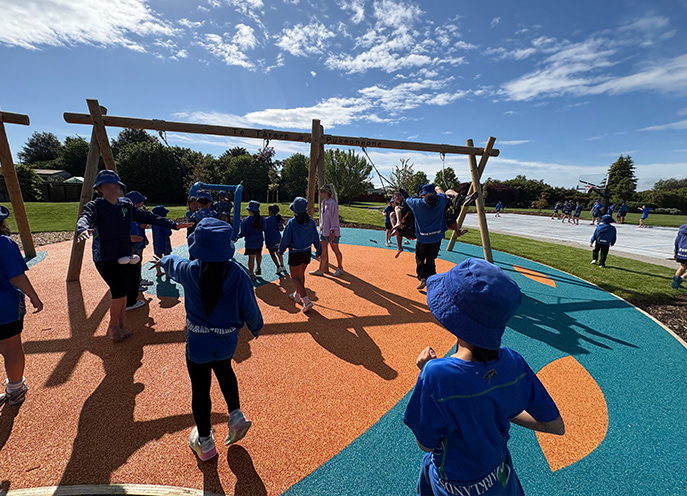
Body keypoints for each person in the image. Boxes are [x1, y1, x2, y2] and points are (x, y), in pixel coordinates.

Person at [404, 259, 564, 496]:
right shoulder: (514, 362)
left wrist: (427, 374)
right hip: (499, 480)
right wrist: (496, 405)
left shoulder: (436, 375)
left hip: (453, 486)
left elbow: (425, 443)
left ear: (452, 315)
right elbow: (555, 425)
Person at [155, 217, 263, 461]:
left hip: (198, 342)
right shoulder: (237, 274)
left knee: (200, 388)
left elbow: (174, 263)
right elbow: (250, 309)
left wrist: (161, 259)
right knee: (225, 371)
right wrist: (256, 327)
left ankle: (204, 442)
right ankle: (235, 415)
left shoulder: (191, 270)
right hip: (227, 341)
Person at [76, 170, 187, 342]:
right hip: (105, 257)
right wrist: (82, 229)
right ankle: (114, 327)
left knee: (123, 292)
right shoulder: (95, 207)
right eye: (108, 187)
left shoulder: (126, 205)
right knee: (118, 291)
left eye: (116, 187)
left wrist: (173, 224)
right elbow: (85, 218)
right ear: (100, 188)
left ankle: (120, 324)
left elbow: (147, 216)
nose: (113, 191)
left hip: (125, 254)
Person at [0, 205, 43, 406]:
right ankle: (15, 388)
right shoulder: (4, 244)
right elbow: (16, 276)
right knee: (11, 347)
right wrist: (34, 296)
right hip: (5, 307)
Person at [278, 197, 322, 313]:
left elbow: (286, 239)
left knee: (295, 277)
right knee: (301, 274)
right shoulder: (311, 222)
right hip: (307, 251)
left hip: (295, 252)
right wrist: (319, 249)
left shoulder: (292, 223)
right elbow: (315, 237)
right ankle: (297, 295)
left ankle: (306, 300)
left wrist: (280, 250)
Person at [406, 184, 448, 290]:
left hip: (422, 238)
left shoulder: (417, 203)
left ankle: (422, 277)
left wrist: (419, 196)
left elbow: (408, 199)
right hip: (436, 237)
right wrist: (437, 190)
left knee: (420, 258)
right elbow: (442, 194)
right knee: (431, 258)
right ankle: (432, 278)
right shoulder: (441, 201)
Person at [310, 184, 344, 277]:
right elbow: (322, 217)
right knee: (323, 250)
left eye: (322, 192)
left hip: (332, 231)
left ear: (327, 192)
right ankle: (321, 269)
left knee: (335, 249)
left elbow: (334, 219)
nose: (321, 194)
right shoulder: (323, 203)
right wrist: (320, 227)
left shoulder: (333, 204)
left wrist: (332, 232)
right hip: (324, 231)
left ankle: (340, 267)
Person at [125, 190, 150, 310]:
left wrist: (145, 238)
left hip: (139, 239)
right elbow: (142, 225)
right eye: (141, 201)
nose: (143, 203)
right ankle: (136, 283)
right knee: (135, 261)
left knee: (139, 259)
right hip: (134, 242)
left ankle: (138, 279)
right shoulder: (133, 213)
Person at [238, 200, 265, 281]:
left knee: (251, 257)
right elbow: (264, 228)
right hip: (259, 240)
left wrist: (236, 236)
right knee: (259, 254)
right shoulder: (261, 219)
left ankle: (251, 273)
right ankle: (258, 267)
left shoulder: (246, 220)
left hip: (250, 242)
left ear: (250, 211)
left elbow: (242, 232)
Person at [151, 205, 173, 278]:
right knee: (167, 257)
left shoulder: (154, 223)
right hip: (165, 242)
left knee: (158, 256)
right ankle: (167, 273)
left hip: (156, 241)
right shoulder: (164, 222)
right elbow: (168, 233)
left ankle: (158, 271)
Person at [264, 204, 286, 275]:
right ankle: (282, 265)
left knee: (272, 253)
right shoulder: (277, 219)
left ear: (270, 211)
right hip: (277, 238)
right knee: (278, 252)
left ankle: (277, 266)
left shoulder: (266, 220)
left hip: (270, 239)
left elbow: (263, 228)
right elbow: (281, 228)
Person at [672, 219, 687, 289]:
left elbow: (677, 242)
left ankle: (675, 283)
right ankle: (681, 278)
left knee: (682, 267)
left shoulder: (681, 230)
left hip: (681, 252)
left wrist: (676, 252)